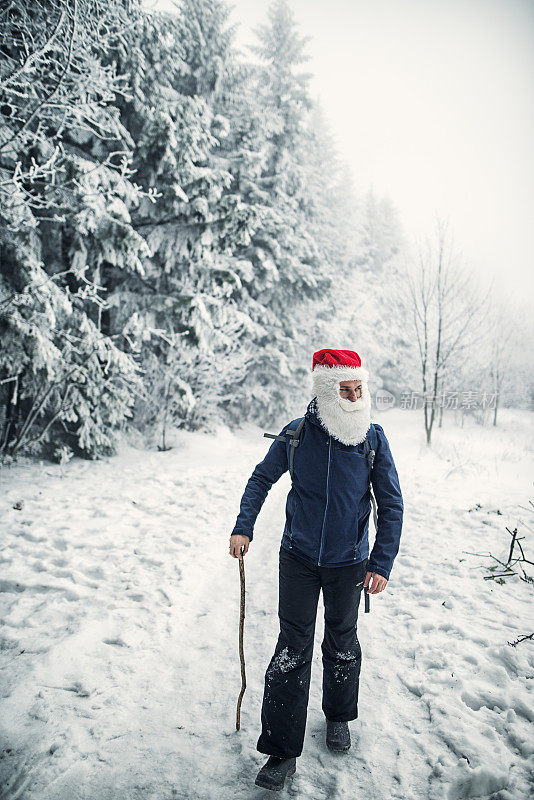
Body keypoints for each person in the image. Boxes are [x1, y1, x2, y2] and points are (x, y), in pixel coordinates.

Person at [229, 348, 403, 791]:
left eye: (358, 388)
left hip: (350, 564)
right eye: (346, 389)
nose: (354, 396)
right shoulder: (296, 435)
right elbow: (260, 478)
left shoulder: (372, 440)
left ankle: (338, 717)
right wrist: (243, 526)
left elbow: (392, 504)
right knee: (293, 647)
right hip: (299, 559)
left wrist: (380, 562)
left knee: (343, 642)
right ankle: (281, 751)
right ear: (327, 392)